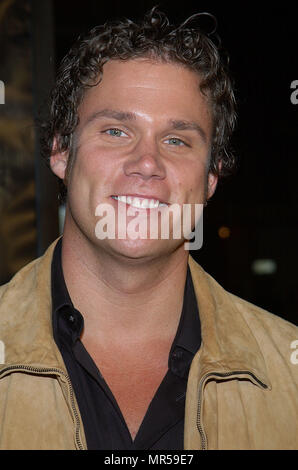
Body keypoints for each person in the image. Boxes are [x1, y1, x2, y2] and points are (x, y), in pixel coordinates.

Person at [0, 7, 297, 451]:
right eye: (117, 130)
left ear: (211, 176)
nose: (147, 163)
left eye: (177, 140)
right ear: (61, 151)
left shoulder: (289, 374)